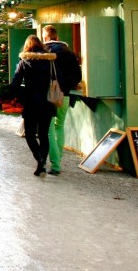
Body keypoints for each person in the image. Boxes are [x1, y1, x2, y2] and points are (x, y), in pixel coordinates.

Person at [10, 34, 57, 177]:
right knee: (44, 134)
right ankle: (42, 163)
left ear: (27, 46)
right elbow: (56, 78)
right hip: (47, 102)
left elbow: (16, 82)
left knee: (30, 134)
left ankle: (39, 159)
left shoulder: (24, 60)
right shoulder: (50, 60)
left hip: (31, 102)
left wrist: (18, 96)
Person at [42, 25, 82, 175]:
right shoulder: (69, 53)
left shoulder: (44, 53)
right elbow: (77, 75)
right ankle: (59, 160)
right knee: (60, 126)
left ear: (45, 37)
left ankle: (55, 164)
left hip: (49, 95)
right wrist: (68, 86)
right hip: (65, 94)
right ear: (57, 37)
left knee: (49, 129)